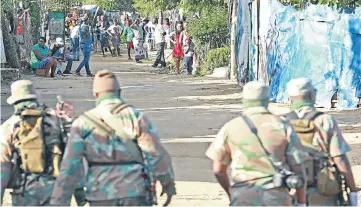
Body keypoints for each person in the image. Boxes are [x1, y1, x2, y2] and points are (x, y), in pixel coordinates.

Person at [50, 70, 176, 206]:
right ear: (119, 92)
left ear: (96, 94)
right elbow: (156, 154)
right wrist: (167, 184)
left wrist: (59, 201)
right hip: (135, 192)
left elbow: (70, 166)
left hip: (100, 195)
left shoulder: (82, 123)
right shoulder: (136, 118)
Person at [206, 81, 307, 206]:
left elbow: (219, 170)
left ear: (244, 101)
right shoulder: (283, 125)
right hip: (277, 197)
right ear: (267, 100)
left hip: (243, 197)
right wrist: (301, 202)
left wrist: (231, 194)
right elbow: (299, 167)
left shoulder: (231, 127)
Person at [285, 78, 360, 206]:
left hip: (291, 190)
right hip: (323, 190)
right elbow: (339, 159)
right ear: (311, 95)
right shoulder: (325, 121)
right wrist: (352, 191)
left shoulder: (281, 122)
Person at [0, 80, 63, 205]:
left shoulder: (9, 126)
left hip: (24, 192)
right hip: (54, 191)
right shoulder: (54, 120)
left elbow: (3, 165)